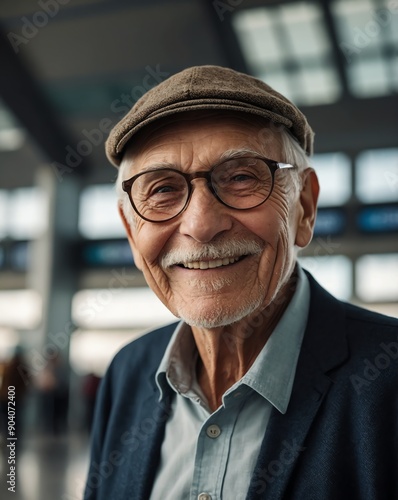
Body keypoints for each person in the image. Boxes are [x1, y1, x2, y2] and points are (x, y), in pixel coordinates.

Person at [84, 66, 398, 500]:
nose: (201, 225)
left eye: (241, 177)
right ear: (130, 231)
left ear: (304, 208)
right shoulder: (127, 373)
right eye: (162, 190)